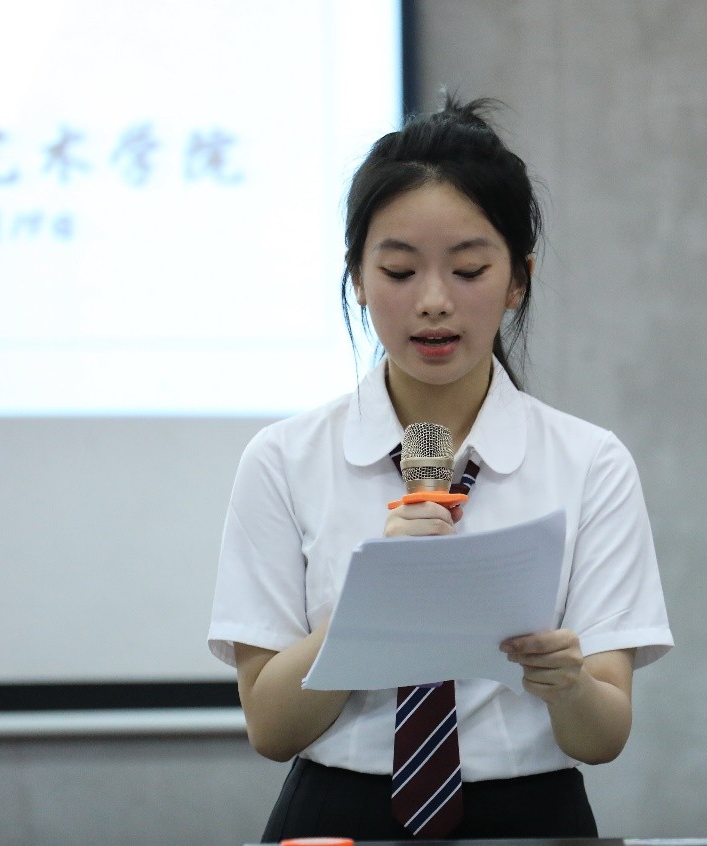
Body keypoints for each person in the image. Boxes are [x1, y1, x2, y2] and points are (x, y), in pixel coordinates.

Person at [208, 96, 672, 840]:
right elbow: (270, 726)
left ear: (517, 280)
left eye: (467, 269)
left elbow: (603, 735)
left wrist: (568, 685)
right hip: (341, 813)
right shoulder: (285, 459)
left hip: (528, 814)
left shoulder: (589, 463)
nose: (432, 302)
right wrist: (375, 600)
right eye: (398, 270)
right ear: (357, 278)